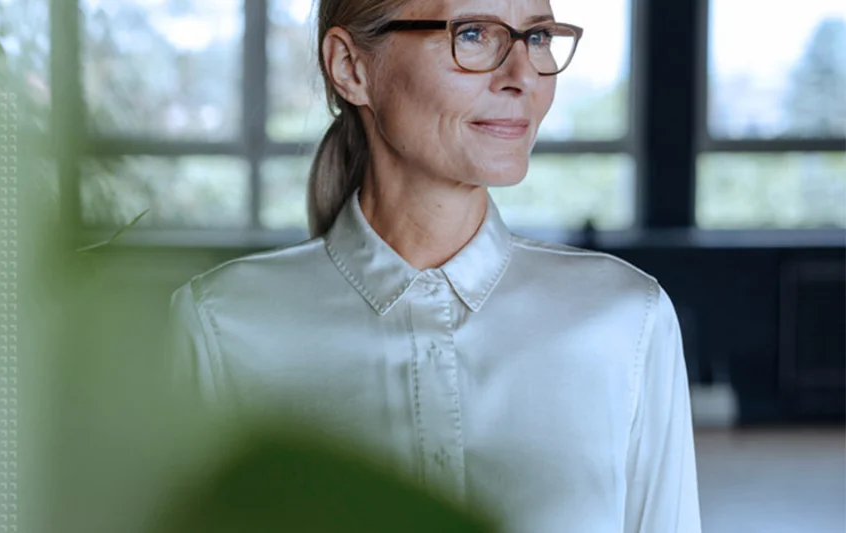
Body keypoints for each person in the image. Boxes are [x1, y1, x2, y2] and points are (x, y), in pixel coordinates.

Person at [166, 0, 702, 532]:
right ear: (352, 68)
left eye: (537, 37)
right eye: (472, 34)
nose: (522, 76)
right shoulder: (221, 327)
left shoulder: (627, 322)